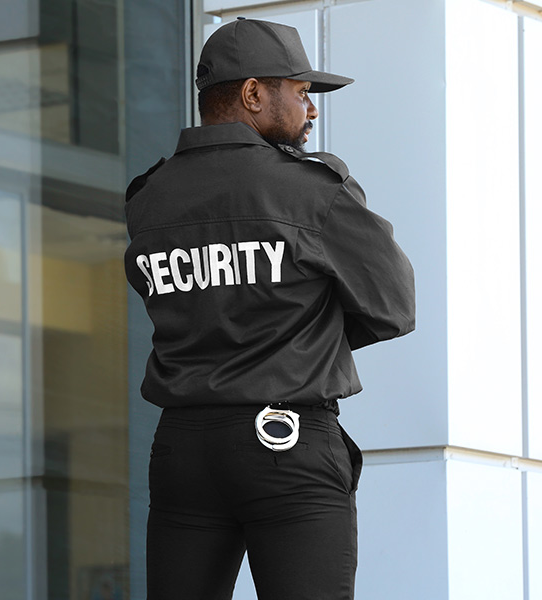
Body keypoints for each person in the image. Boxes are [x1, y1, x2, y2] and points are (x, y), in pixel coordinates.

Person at [124, 17, 416, 600]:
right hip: (283, 441)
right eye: (301, 92)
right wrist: (297, 333)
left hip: (182, 449)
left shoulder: (147, 197)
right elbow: (393, 306)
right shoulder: (311, 189)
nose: (311, 110)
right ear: (254, 93)